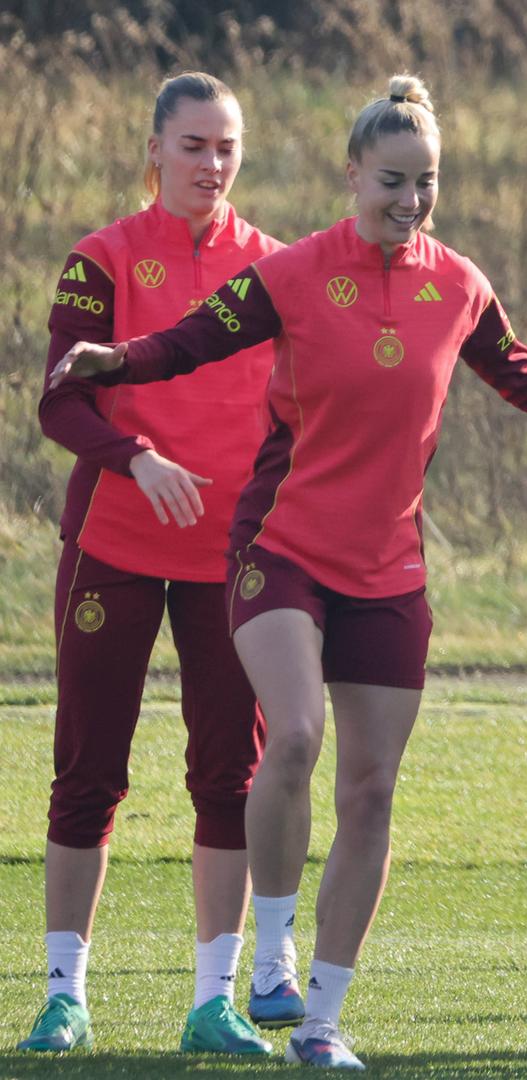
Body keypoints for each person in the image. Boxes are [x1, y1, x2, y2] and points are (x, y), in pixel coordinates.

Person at [48, 74, 527, 1070]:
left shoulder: (457, 285)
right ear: (353, 175)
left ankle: (321, 1023)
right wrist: (117, 364)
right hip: (279, 551)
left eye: (427, 183)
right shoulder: (292, 273)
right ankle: (269, 955)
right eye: (392, 181)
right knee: (296, 735)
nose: (409, 201)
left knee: (370, 794)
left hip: (390, 571)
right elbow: (194, 340)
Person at [21, 71, 281, 1059]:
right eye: (194, 146)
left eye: (227, 147)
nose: (212, 164)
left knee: (230, 777)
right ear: (155, 149)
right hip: (114, 548)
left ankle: (215, 1003)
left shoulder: (273, 270)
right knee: (88, 773)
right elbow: (58, 403)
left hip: (230, 560)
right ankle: (62, 999)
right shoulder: (103, 259)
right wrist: (136, 455)